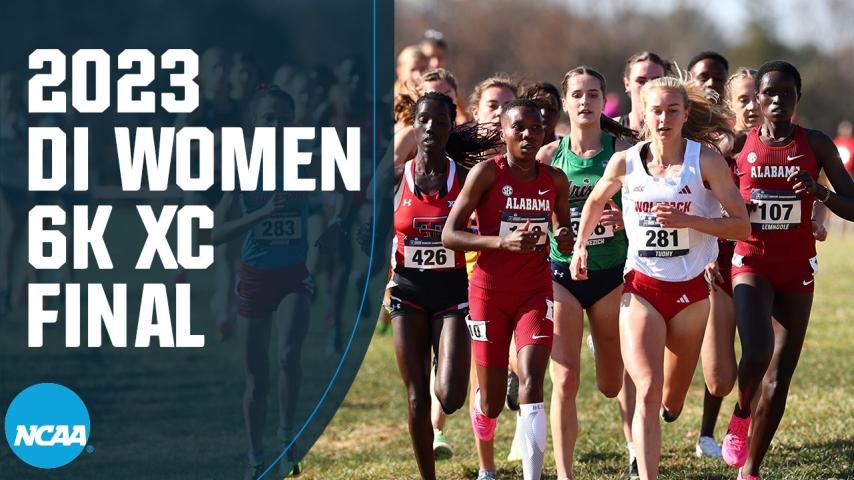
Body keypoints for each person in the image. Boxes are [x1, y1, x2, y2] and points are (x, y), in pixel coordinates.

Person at [572, 75, 750, 480]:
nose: (664, 118)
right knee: (648, 391)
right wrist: (581, 245)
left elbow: (741, 226)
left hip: (691, 293)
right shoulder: (626, 161)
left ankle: (671, 406)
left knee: (670, 399)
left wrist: (689, 220)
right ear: (645, 115)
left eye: (672, 110)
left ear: (685, 114)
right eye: (656, 111)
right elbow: (596, 200)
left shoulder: (705, 161)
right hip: (642, 288)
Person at [721, 60, 854, 480]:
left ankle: (751, 470)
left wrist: (819, 192)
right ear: (758, 99)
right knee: (757, 351)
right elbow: (707, 194)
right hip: (751, 261)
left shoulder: (815, 144)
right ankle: (741, 412)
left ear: (798, 97)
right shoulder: (738, 145)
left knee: (779, 378)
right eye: (769, 93)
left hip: (797, 267)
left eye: (786, 93)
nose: (777, 99)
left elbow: (852, 204)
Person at [443, 98, 573, 480]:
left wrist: (564, 237)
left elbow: (561, 230)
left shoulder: (555, 180)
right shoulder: (486, 173)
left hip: (535, 290)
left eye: (536, 128)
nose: (528, 135)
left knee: (533, 380)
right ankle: (483, 408)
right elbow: (450, 235)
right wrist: (501, 243)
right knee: (494, 402)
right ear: (503, 132)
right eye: (519, 128)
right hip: (489, 293)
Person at [211, 86, 318, 480]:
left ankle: (287, 436)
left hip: (294, 275)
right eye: (268, 118)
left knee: (289, 355)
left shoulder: (306, 163)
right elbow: (214, 234)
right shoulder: (241, 169)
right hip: (255, 278)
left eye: (283, 119)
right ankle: (255, 457)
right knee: (256, 377)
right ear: (254, 123)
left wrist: (337, 226)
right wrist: (261, 214)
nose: (276, 126)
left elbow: (334, 200)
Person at [538, 66, 635, 480]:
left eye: (593, 94)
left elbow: (649, 209)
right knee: (564, 380)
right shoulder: (548, 156)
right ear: (565, 103)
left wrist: (625, 220)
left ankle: (635, 446)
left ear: (603, 100)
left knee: (612, 384)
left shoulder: (625, 152)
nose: (585, 102)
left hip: (611, 273)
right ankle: (565, 474)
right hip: (562, 276)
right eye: (577, 95)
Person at [388, 92, 481, 480]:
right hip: (407, 292)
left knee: (451, 396)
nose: (430, 128)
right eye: (423, 120)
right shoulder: (396, 177)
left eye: (440, 121)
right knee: (415, 397)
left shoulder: (468, 178)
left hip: (451, 294)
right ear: (413, 124)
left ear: (450, 126)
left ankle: (445, 359)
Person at [613, 50, 669, 479]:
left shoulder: (676, 130)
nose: (647, 84)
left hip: (660, 261)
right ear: (627, 83)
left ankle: (642, 438)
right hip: (611, 259)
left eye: (656, 78)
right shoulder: (610, 134)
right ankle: (636, 447)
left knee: (651, 370)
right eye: (640, 79)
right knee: (625, 368)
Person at [616, 52, 670, 131]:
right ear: (627, 84)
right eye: (641, 81)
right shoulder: (610, 130)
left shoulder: (677, 131)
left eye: (656, 81)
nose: (648, 87)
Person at [521, 81, 562, 146]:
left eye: (551, 110)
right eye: (537, 107)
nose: (544, 113)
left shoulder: (571, 148)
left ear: (559, 114)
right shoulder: (513, 148)